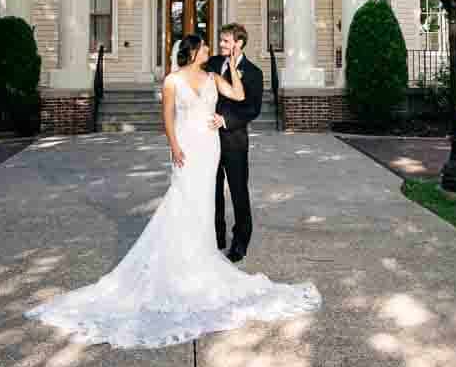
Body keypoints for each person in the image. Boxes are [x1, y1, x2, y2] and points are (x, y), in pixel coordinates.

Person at [24, 34, 320, 348]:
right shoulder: (172, 81)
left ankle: (203, 252)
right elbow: (167, 117)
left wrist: (233, 66)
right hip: (186, 146)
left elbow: (238, 92)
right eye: (205, 46)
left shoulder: (213, 75)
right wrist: (174, 146)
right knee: (182, 198)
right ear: (193, 52)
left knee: (205, 201)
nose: (210, 49)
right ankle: (179, 256)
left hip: (209, 147)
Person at [204, 23, 263, 262]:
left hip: (234, 140)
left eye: (226, 41)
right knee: (212, 190)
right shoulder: (213, 63)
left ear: (239, 43)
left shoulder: (254, 73)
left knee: (239, 191)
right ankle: (216, 237)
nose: (221, 45)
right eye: (221, 41)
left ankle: (239, 242)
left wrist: (226, 120)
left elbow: (252, 109)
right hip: (207, 139)